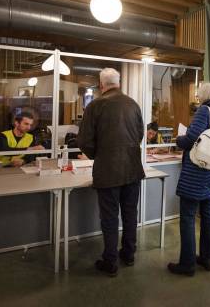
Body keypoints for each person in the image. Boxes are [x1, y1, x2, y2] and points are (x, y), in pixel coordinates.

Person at [77, 68, 144, 277]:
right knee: (130, 213)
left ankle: (110, 262)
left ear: (101, 83)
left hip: (108, 171)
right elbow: (140, 134)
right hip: (133, 168)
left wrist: (101, 154)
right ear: (119, 82)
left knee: (110, 218)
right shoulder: (133, 104)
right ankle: (129, 254)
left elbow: (84, 142)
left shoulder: (95, 106)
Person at [168, 82, 210, 276]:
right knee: (208, 215)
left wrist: (178, 140)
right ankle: (207, 258)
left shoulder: (204, 111)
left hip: (195, 173)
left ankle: (187, 264)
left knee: (187, 217)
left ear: (204, 96)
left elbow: (190, 139)